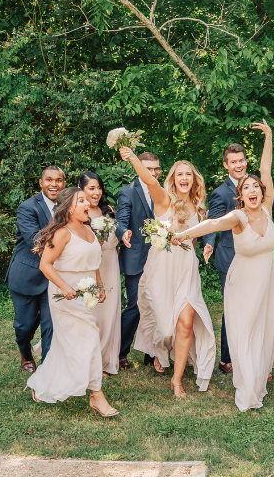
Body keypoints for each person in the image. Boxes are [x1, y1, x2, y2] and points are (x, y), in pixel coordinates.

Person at [173, 120, 274, 411]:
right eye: (247, 188)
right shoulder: (238, 216)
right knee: (244, 329)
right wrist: (184, 234)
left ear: (261, 190)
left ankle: (260, 372)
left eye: (255, 186)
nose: (252, 190)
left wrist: (268, 138)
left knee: (266, 326)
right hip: (243, 281)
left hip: (268, 279)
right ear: (241, 195)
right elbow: (211, 223)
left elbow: (266, 170)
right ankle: (247, 384)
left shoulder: (267, 209)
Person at [201, 143, 274, 375]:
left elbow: (267, 204)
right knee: (235, 311)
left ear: (246, 161)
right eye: (233, 162)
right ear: (226, 165)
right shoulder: (220, 192)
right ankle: (228, 358)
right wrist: (208, 242)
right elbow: (213, 221)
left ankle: (258, 357)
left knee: (260, 309)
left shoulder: (255, 186)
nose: (238, 165)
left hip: (258, 259)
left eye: (241, 160)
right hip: (232, 258)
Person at [120, 147, 216, 397]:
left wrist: (206, 245)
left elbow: (195, 239)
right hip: (162, 267)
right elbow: (149, 180)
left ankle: (177, 379)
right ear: (173, 179)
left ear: (194, 179)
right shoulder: (163, 199)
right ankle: (161, 351)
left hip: (186, 269)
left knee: (185, 323)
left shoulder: (198, 207)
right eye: (179, 174)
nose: (184, 178)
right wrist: (133, 158)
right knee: (165, 329)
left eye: (188, 174)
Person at [26, 187, 117, 417]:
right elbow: (45, 264)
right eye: (82, 201)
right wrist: (65, 287)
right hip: (64, 293)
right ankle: (97, 395)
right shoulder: (62, 233)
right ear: (69, 207)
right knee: (90, 339)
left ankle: (42, 383)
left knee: (68, 345)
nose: (88, 204)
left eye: (87, 200)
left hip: (86, 293)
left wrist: (99, 285)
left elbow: (94, 261)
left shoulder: (89, 230)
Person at [6, 166, 66, 373]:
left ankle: (47, 370)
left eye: (58, 180)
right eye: (49, 180)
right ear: (41, 183)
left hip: (55, 277)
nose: (54, 184)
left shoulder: (68, 206)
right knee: (24, 326)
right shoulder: (27, 207)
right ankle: (25, 351)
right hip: (27, 275)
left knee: (51, 325)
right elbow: (36, 239)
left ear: (64, 184)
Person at [114, 151, 160, 370]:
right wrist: (123, 232)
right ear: (138, 168)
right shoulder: (128, 192)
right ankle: (120, 352)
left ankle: (152, 353)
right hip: (136, 257)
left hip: (161, 258)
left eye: (156, 168)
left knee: (157, 305)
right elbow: (120, 221)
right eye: (148, 168)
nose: (153, 172)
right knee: (135, 306)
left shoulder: (164, 190)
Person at [79, 171, 121, 376]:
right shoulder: (80, 213)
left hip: (111, 264)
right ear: (81, 190)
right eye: (91, 188)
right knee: (92, 314)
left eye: (99, 188)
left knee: (109, 314)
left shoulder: (108, 211)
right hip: (91, 267)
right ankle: (90, 362)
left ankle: (105, 360)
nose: (96, 192)